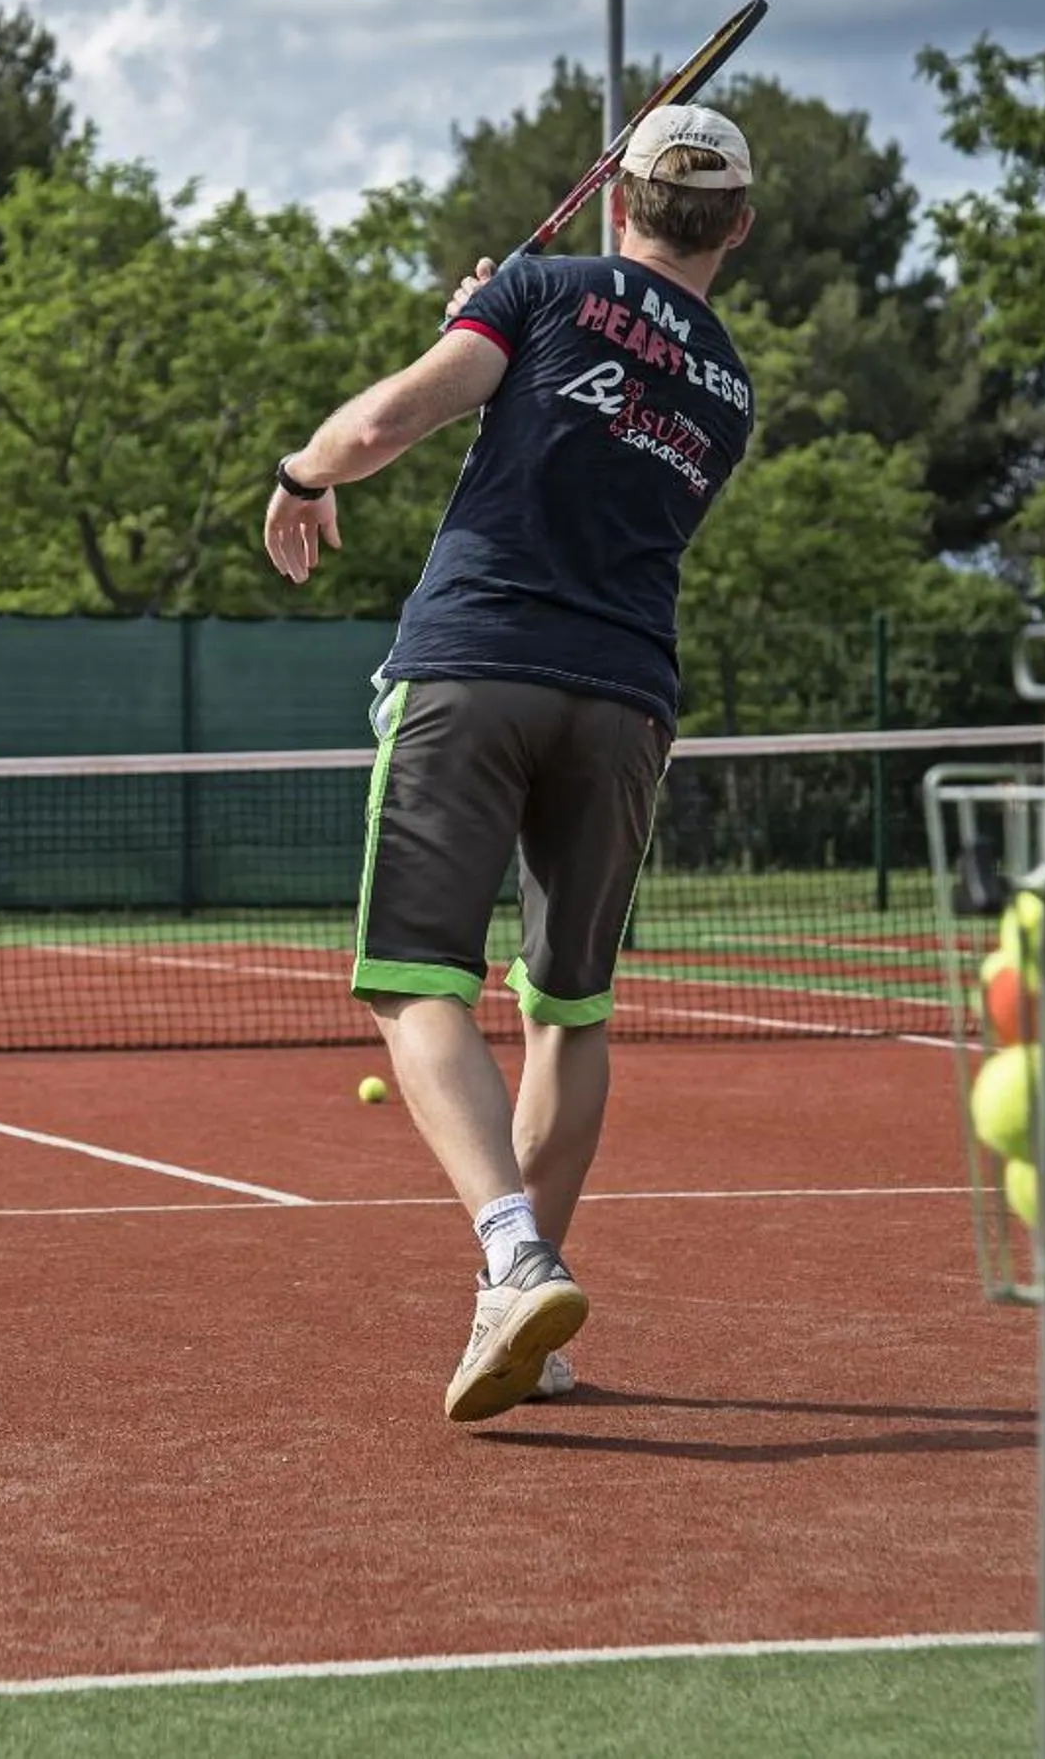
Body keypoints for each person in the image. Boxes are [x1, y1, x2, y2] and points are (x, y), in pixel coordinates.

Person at [263, 105, 759, 1422]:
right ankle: (522, 1325)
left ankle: (514, 1255)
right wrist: (514, 324)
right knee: (569, 1009)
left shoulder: (545, 288)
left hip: (477, 669)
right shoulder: (732, 391)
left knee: (413, 985)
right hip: (625, 705)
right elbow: (602, 423)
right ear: (739, 229)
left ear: (618, 203)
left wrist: (305, 469)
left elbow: (388, 429)